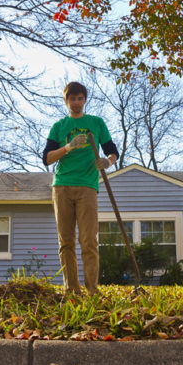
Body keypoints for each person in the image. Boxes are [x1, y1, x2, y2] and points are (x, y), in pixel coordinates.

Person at [43, 82, 119, 294]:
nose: (76, 103)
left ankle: (92, 290)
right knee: (66, 241)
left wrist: (108, 162)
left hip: (87, 186)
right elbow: (47, 158)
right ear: (66, 101)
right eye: (72, 99)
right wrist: (68, 146)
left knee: (88, 240)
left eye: (79, 99)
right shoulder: (59, 126)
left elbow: (112, 151)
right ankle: (72, 290)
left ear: (84, 100)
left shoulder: (96, 123)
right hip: (62, 186)